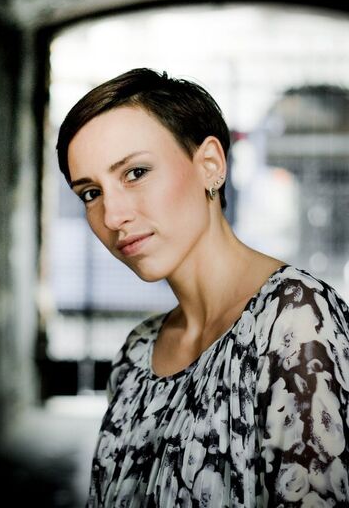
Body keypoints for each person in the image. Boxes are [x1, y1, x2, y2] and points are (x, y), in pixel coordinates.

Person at [56, 67, 349, 507]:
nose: (112, 216)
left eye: (136, 172)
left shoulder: (297, 322)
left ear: (210, 165)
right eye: (90, 193)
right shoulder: (137, 353)